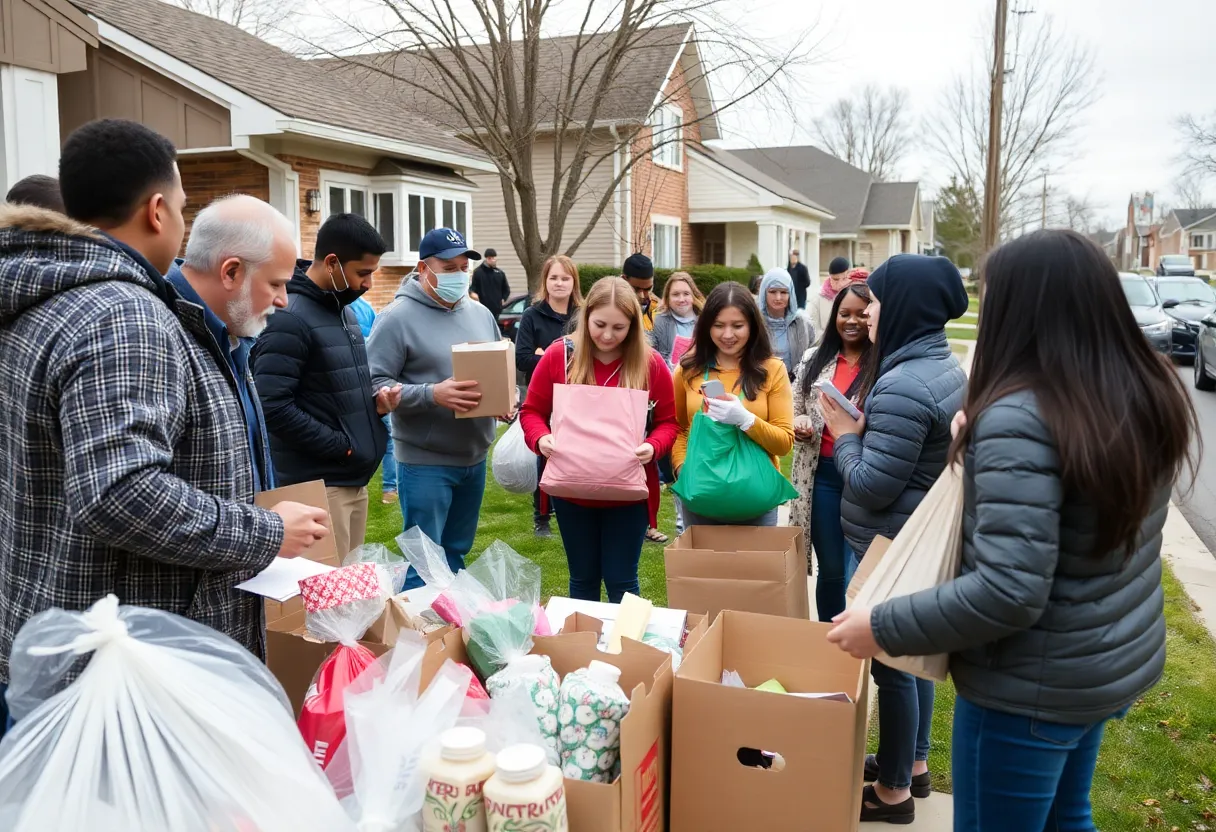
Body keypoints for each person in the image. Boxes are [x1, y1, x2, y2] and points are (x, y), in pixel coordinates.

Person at [828, 231, 1199, 830]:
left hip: (1028, 684)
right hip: (1101, 662)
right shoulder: (1134, 393)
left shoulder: (1020, 415)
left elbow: (1008, 589)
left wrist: (881, 624)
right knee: (1066, 818)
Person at [0, 119, 330, 700]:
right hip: (131, 664)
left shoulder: (50, 299)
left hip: (69, 637)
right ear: (157, 211)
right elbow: (117, 492)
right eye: (181, 205)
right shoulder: (123, 313)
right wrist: (265, 531)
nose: (183, 220)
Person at [817, 253, 968, 825]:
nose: (867, 311)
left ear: (901, 306)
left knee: (892, 669)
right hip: (909, 537)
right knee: (912, 659)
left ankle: (894, 793)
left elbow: (872, 484)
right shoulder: (938, 365)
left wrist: (846, 434)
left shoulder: (903, 382)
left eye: (875, 301)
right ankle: (915, 764)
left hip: (889, 543)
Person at [252, 213, 400, 560]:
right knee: (321, 604)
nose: (368, 284)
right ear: (332, 263)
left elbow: (330, 390)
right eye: (363, 273)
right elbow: (271, 405)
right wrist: (342, 446)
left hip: (351, 480)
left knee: (347, 600)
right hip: (318, 486)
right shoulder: (289, 317)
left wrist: (372, 406)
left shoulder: (344, 311)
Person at [520, 277, 677, 601]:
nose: (607, 335)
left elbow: (668, 423)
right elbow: (531, 411)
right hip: (572, 491)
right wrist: (541, 438)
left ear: (633, 326)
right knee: (583, 579)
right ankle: (584, 649)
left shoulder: (650, 364)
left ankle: (624, 651)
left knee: (622, 581)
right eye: (600, 324)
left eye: (618, 328)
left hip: (628, 494)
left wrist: (653, 446)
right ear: (586, 315)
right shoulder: (559, 356)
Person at [368, 227, 505, 589]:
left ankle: (448, 638)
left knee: (457, 553)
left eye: (464, 267)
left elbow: (493, 369)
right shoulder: (396, 317)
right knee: (423, 562)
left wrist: (502, 401)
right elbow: (373, 384)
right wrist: (431, 394)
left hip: (474, 456)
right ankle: (419, 639)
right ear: (423, 268)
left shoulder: (480, 314)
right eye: (448, 267)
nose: (458, 275)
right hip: (425, 460)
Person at [167, 194, 299, 495]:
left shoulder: (230, 332)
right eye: (275, 283)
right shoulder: (158, 333)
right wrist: (263, 529)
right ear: (231, 272)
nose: (283, 300)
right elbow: (131, 496)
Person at [672, 282, 795, 527]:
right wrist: (683, 469)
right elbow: (680, 430)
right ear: (706, 326)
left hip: (755, 497)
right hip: (701, 493)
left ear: (752, 326)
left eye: (737, 326)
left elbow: (783, 444)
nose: (728, 335)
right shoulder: (688, 371)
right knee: (702, 566)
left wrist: (746, 420)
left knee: (755, 566)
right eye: (718, 326)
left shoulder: (772, 370)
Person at [789, 281, 872, 623]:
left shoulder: (883, 362)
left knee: (862, 569)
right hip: (821, 475)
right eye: (844, 313)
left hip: (865, 476)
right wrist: (802, 421)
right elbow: (793, 405)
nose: (851, 321)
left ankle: (862, 640)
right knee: (832, 569)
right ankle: (828, 644)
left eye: (862, 314)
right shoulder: (814, 358)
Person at [515, 254, 582, 538]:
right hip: (544, 396)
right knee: (545, 455)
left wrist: (547, 354)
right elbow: (522, 358)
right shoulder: (532, 315)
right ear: (545, 281)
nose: (559, 283)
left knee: (578, 454)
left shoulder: (582, 314)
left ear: (573, 282)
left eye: (565, 278)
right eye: (553, 278)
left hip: (578, 394)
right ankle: (542, 517)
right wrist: (552, 360)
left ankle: (578, 506)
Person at [649, 271, 705, 539]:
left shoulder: (707, 320)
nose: (681, 299)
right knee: (679, 457)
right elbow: (654, 353)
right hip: (673, 389)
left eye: (686, 293)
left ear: (693, 294)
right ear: (667, 299)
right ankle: (684, 524)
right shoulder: (662, 322)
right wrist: (671, 365)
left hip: (702, 391)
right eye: (675, 294)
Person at [349, 295, 399, 506]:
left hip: (369, 380)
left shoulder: (364, 307)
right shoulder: (361, 307)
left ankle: (389, 486)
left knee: (386, 435)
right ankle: (370, 485)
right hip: (353, 383)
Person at [759, 268, 814, 379]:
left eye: (784, 292)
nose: (778, 297)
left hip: (796, 387)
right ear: (764, 292)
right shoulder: (755, 323)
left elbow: (813, 355)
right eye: (773, 292)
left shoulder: (802, 323)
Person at [471, 247, 511, 320]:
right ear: (487, 259)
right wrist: (473, 294)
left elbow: (506, 289)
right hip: (482, 309)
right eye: (492, 258)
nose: (494, 260)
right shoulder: (478, 273)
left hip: (496, 310)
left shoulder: (500, 273)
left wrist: (503, 299)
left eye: (495, 258)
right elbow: (473, 288)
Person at [816, 256, 853, 335]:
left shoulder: (857, 295)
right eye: (836, 279)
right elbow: (812, 330)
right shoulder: (817, 299)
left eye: (844, 278)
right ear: (830, 278)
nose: (840, 283)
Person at [623, 252, 658, 331]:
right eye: (636, 289)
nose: (642, 296)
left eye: (648, 289)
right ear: (624, 280)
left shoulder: (660, 310)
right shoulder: (610, 308)